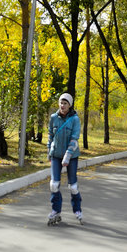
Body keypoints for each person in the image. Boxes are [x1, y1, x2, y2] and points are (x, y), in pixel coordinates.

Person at [47, 93, 83, 225]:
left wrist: (67, 156)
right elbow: (50, 136)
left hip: (72, 156)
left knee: (73, 186)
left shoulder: (75, 119)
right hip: (56, 154)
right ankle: (56, 210)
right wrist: (48, 152)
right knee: (54, 185)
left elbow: (74, 139)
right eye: (61, 103)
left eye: (65, 103)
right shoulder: (53, 118)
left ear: (70, 105)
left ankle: (77, 210)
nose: (62, 106)